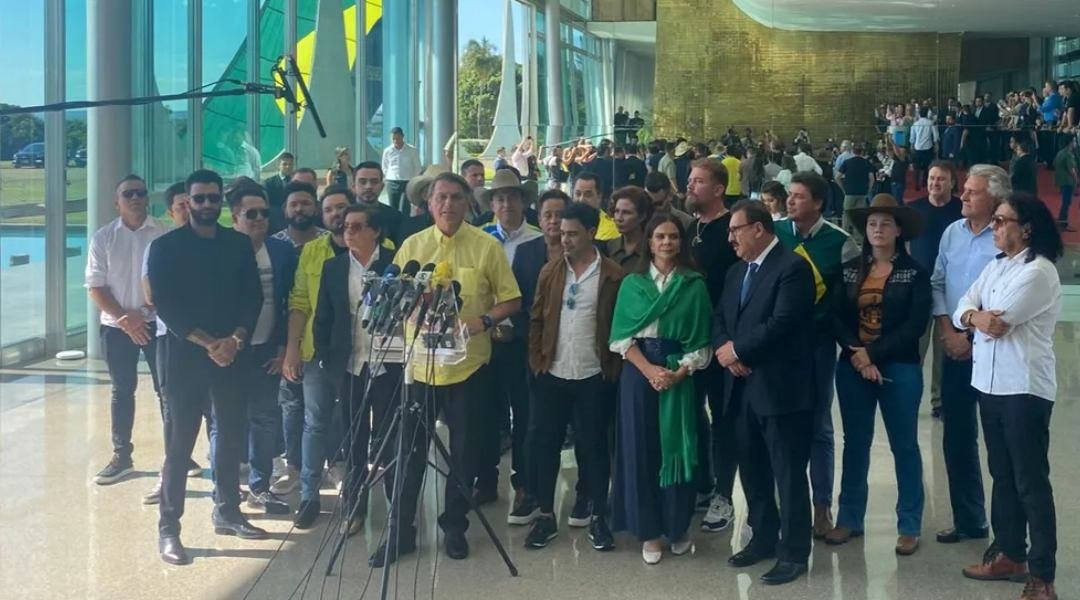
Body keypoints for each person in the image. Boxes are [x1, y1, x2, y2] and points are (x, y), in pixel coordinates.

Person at [372, 173, 522, 566]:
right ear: (429, 203)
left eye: (456, 197)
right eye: (441, 197)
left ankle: (455, 525)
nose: (448, 205)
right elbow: (394, 297)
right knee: (408, 454)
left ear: (468, 203)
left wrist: (483, 321)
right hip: (419, 370)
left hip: (468, 369)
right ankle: (401, 531)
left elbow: (511, 300)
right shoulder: (412, 246)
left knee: (464, 454)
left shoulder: (486, 246)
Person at [148, 169, 266, 565]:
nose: (206, 205)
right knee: (179, 446)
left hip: (231, 355)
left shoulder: (238, 244)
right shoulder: (165, 247)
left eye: (213, 198)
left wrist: (235, 340)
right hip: (184, 357)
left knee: (230, 436)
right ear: (187, 201)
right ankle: (169, 528)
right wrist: (210, 343)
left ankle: (228, 511)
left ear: (221, 202)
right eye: (199, 198)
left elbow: (253, 297)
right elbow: (165, 304)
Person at [954, 193, 1063, 600]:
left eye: (1001, 221)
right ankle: (1010, 553)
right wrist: (974, 315)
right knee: (1001, 474)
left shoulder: (1039, 271)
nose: (994, 227)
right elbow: (963, 305)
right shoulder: (996, 266)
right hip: (990, 385)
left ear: (1026, 228)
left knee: (1030, 480)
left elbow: (1003, 320)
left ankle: (1042, 574)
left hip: (1024, 388)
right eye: (995, 220)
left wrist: (978, 316)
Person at [714, 201, 816, 585]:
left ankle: (794, 552)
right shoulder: (735, 271)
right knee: (752, 468)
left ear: (758, 229)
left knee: (787, 473)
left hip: (780, 389)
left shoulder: (792, 268)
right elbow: (720, 317)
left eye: (735, 230)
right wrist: (726, 351)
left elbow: (783, 323)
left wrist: (738, 351)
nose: (730, 238)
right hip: (740, 387)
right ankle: (763, 537)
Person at [824, 194, 930, 556]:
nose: (878, 229)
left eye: (885, 223)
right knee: (855, 443)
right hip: (853, 365)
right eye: (872, 224)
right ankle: (849, 518)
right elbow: (836, 315)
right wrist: (858, 353)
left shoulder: (915, 273)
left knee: (904, 445)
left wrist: (873, 354)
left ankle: (909, 524)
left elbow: (915, 325)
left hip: (900, 365)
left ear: (898, 230)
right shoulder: (850, 270)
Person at [609, 214, 712, 565]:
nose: (667, 242)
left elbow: (701, 341)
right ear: (649, 243)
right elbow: (621, 337)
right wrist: (651, 371)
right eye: (660, 237)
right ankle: (649, 531)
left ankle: (677, 527)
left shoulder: (694, 285)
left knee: (678, 447)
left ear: (681, 242)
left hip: (679, 373)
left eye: (673, 237)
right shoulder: (632, 284)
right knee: (641, 449)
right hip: (638, 373)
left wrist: (679, 373)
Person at [523, 202, 625, 550]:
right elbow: (536, 318)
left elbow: (621, 324)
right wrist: (537, 359)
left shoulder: (613, 275)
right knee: (544, 444)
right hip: (552, 372)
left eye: (572, 234)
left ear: (592, 233)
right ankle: (545, 515)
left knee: (593, 447)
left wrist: (613, 367)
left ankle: (598, 516)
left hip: (594, 374)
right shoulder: (551, 270)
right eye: (562, 233)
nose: (564, 239)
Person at [774, 172, 860, 538]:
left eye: (798, 196)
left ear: (818, 202)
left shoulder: (840, 243)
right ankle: (783, 506)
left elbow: (848, 301)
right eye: (789, 195)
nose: (790, 201)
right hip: (776, 346)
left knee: (819, 424)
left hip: (817, 346)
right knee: (777, 423)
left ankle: (821, 507)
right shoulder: (775, 232)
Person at [930, 164, 1009, 546]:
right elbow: (938, 283)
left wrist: (971, 337)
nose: (962, 196)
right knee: (957, 438)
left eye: (972, 192)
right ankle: (970, 519)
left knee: (1000, 445)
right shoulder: (952, 233)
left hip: (995, 352)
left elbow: (1007, 302)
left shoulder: (1006, 238)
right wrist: (948, 332)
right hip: (955, 347)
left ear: (994, 199)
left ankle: (1007, 535)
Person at [311, 204, 399, 537]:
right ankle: (355, 507)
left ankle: (396, 507)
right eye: (345, 226)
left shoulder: (395, 262)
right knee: (354, 439)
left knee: (389, 438)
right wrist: (326, 359)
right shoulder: (333, 267)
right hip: (349, 365)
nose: (348, 231)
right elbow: (323, 317)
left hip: (388, 364)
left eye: (357, 226)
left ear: (375, 231)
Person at [86, 175, 169, 485]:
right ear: (116, 202)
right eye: (128, 194)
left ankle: (176, 455)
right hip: (116, 327)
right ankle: (122, 456)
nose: (135, 198)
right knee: (122, 390)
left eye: (140, 193)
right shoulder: (103, 238)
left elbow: (170, 282)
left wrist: (143, 314)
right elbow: (95, 286)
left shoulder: (163, 234)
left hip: (156, 324)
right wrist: (124, 318)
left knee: (166, 390)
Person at [282, 184, 356, 529]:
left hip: (363, 353)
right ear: (321, 215)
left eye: (342, 207)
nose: (336, 214)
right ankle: (309, 497)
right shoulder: (312, 251)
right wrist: (292, 349)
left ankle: (355, 494)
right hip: (318, 351)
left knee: (356, 424)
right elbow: (299, 303)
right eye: (329, 209)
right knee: (315, 423)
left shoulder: (378, 247)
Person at [475, 171, 544, 510]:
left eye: (512, 197)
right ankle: (486, 480)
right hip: (485, 340)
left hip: (522, 341)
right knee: (485, 414)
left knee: (525, 415)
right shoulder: (479, 239)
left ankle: (524, 482)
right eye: (499, 198)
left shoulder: (538, 241)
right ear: (491, 204)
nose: (506, 204)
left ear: (523, 201)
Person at [227, 184, 297, 516]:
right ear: (234, 217)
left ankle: (260, 487)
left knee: (266, 418)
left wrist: (283, 347)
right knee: (226, 421)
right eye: (250, 213)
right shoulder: (223, 251)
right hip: (229, 351)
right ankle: (225, 490)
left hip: (267, 348)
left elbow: (288, 303)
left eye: (264, 213)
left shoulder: (281, 251)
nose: (259, 219)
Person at [684, 159, 740, 532]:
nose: (690, 185)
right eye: (690, 179)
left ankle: (724, 494)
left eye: (699, 181)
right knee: (692, 413)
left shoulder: (730, 228)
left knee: (723, 419)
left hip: (722, 340)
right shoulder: (692, 228)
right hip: (691, 339)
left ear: (718, 189)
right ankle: (702, 484)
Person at [908, 161, 963, 419]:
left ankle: (939, 400)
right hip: (919, 290)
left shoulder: (961, 210)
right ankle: (909, 398)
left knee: (943, 350)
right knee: (914, 349)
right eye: (931, 178)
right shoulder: (914, 209)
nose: (934, 183)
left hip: (950, 291)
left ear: (952, 182)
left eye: (941, 179)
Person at [352, 160, 403, 245]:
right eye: (363, 182)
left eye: (374, 182)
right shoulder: (343, 215)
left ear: (382, 186)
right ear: (353, 186)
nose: (368, 186)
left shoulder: (396, 217)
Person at [606, 186, 654, 269]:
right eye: (616, 211)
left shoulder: (652, 248)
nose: (619, 218)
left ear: (642, 216)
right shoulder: (610, 246)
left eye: (626, 213)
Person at [836, 143, 877, 236]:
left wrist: (843, 189)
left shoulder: (847, 162)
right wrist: (868, 189)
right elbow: (872, 178)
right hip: (862, 192)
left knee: (846, 214)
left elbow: (837, 177)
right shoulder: (866, 163)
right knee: (859, 215)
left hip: (849, 192)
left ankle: (845, 234)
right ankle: (860, 236)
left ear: (852, 151)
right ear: (862, 152)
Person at [382, 126, 422, 213]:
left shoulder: (412, 150)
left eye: (398, 138)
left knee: (405, 207)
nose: (396, 141)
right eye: (393, 139)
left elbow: (417, 167)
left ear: (402, 137)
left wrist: (413, 180)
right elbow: (384, 166)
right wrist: (388, 176)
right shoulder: (387, 151)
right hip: (392, 182)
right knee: (393, 208)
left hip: (407, 182)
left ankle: (405, 221)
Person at [572, 172, 620, 241]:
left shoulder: (611, 230)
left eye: (588, 195)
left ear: (599, 197)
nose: (581, 199)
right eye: (578, 194)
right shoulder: (563, 223)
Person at [263, 152, 295, 233]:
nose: (288, 167)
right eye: (284, 164)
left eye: (290, 164)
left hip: (293, 220)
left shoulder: (297, 182)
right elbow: (267, 204)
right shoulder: (269, 183)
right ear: (278, 165)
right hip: (275, 222)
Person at [1053, 134, 1078, 231]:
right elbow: (1072, 170)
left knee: (1065, 202)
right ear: (1070, 143)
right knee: (1066, 202)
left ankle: (1061, 220)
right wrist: (1076, 180)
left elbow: (1054, 164)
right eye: (1074, 141)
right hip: (1067, 181)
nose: (1075, 143)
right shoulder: (1068, 154)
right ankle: (1063, 223)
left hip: (1061, 181)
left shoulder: (1060, 152)